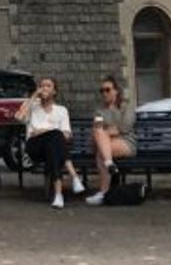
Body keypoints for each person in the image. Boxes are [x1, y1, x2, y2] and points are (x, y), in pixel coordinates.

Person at [13, 74, 84, 208]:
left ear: (54, 91)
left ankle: (58, 195)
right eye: (42, 86)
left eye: (48, 86)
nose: (44, 88)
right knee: (56, 135)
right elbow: (19, 117)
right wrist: (34, 95)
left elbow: (67, 135)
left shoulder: (61, 110)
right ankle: (74, 176)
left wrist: (44, 131)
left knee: (54, 144)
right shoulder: (32, 106)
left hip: (53, 147)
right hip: (34, 147)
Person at [86, 74, 136, 204]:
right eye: (102, 91)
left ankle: (103, 192)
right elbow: (96, 130)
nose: (104, 93)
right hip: (106, 145)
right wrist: (105, 133)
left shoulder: (126, 108)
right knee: (100, 138)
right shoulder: (99, 112)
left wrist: (105, 133)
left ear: (116, 91)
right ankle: (109, 164)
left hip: (126, 142)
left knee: (101, 149)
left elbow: (124, 128)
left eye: (107, 90)